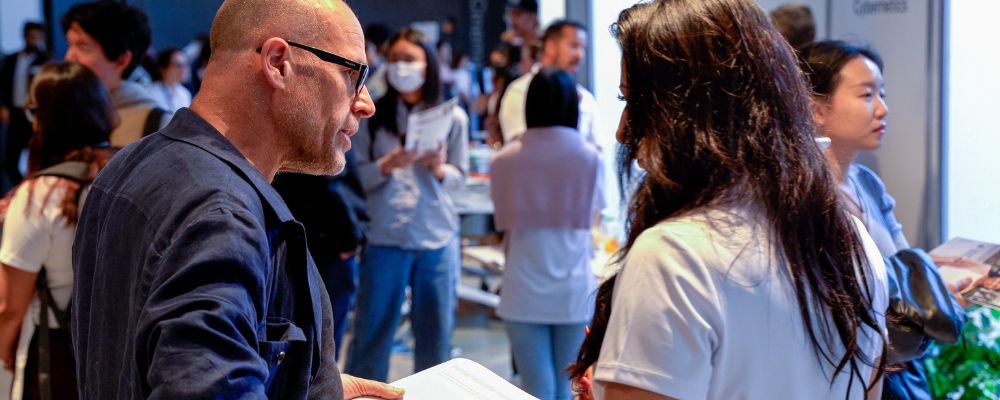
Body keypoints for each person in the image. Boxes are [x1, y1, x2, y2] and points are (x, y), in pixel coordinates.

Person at [70, 0, 405, 398]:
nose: (365, 104)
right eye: (353, 75)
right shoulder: (220, 213)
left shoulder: (129, 164)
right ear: (278, 62)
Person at [568, 1, 890, 399]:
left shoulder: (674, 256)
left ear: (688, 110)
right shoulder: (852, 241)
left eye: (633, 102)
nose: (622, 131)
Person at [798, 40, 968, 400]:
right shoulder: (800, 197)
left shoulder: (867, 184)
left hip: (896, 374)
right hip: (842, 378)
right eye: (866, 95)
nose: (883, 109)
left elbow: (901, 265)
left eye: (882, 94)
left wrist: (946, 284)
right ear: (816, 109)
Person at [346, 27, 469, 382]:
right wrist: (389, 164)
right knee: (372, 333)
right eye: (395, 59)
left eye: (409, 60)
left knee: (436, 337)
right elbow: (356, 177)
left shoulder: (452, 117)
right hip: (385, 235)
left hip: (436, 235)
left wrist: (439, 168)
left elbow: (460, 177)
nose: (401, 67)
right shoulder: (371, 115)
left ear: (427, 64)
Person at [0, 62, 116, 400]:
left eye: (34, 110)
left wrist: (5, 356)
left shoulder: (40, 194)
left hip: (56, 353)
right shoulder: (124, 171)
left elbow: (9, 307)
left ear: (46, 120)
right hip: (115, 346)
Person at [491, 68, 604, 400]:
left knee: (535, 387)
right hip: (574, 288)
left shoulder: (505, 159)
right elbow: (595, 218)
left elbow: (502, 224)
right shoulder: (590, 157)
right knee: (570, 385)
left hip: (521, 287)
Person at [62, 0, 171, 147]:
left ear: (121, 60)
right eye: (70, 45)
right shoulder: (68, 113)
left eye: (83, 47)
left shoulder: (158, 125)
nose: (69, 57)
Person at [498, 20, 597, 148]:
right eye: (573, 46)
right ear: (550, 46)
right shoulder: (519, 91)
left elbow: (598, 150)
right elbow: (520, 149)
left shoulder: (586, 98)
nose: (580, 55)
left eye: (582, 48)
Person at [0, 22, 50, 192]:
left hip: (34, 115)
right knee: (9, 161)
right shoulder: (12, 59)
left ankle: (33, 191)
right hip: (14, 114)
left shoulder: (46, 60)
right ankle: (20, 190)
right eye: (31, 36)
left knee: (37, 158)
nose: (34, 41)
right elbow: (3, 84)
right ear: (25, 36)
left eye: (38, 37)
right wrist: (3, 106)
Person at [148, 47, 193, 113]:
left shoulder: (185, 93)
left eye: (185, 65)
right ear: (163, 69)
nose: (183, 69)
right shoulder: (151, 92)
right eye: (178, 65)